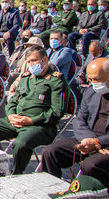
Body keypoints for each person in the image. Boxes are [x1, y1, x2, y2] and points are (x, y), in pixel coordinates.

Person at [0, 45, 69, 174]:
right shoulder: (26, 78)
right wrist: (10, 115)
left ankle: (16, 174)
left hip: (40, 126)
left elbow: (57, 111)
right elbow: (12, 101)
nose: (31, 64)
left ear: (45, 60)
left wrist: (31, 121)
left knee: (21, 144)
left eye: (34, 60)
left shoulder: (56, 81)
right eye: (29, 61)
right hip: (16, 120)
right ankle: (3, 167)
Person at [41, 58, 109, 187]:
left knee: (91, 165)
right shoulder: (91, 92)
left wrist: (97, 143)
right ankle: (52, 189)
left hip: (106, 145)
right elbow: (79, 119)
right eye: (91, 79)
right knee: (50, 152)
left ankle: (94, 192)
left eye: (98, 79)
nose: (94, 83)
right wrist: (89, 140)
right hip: (87, 138)